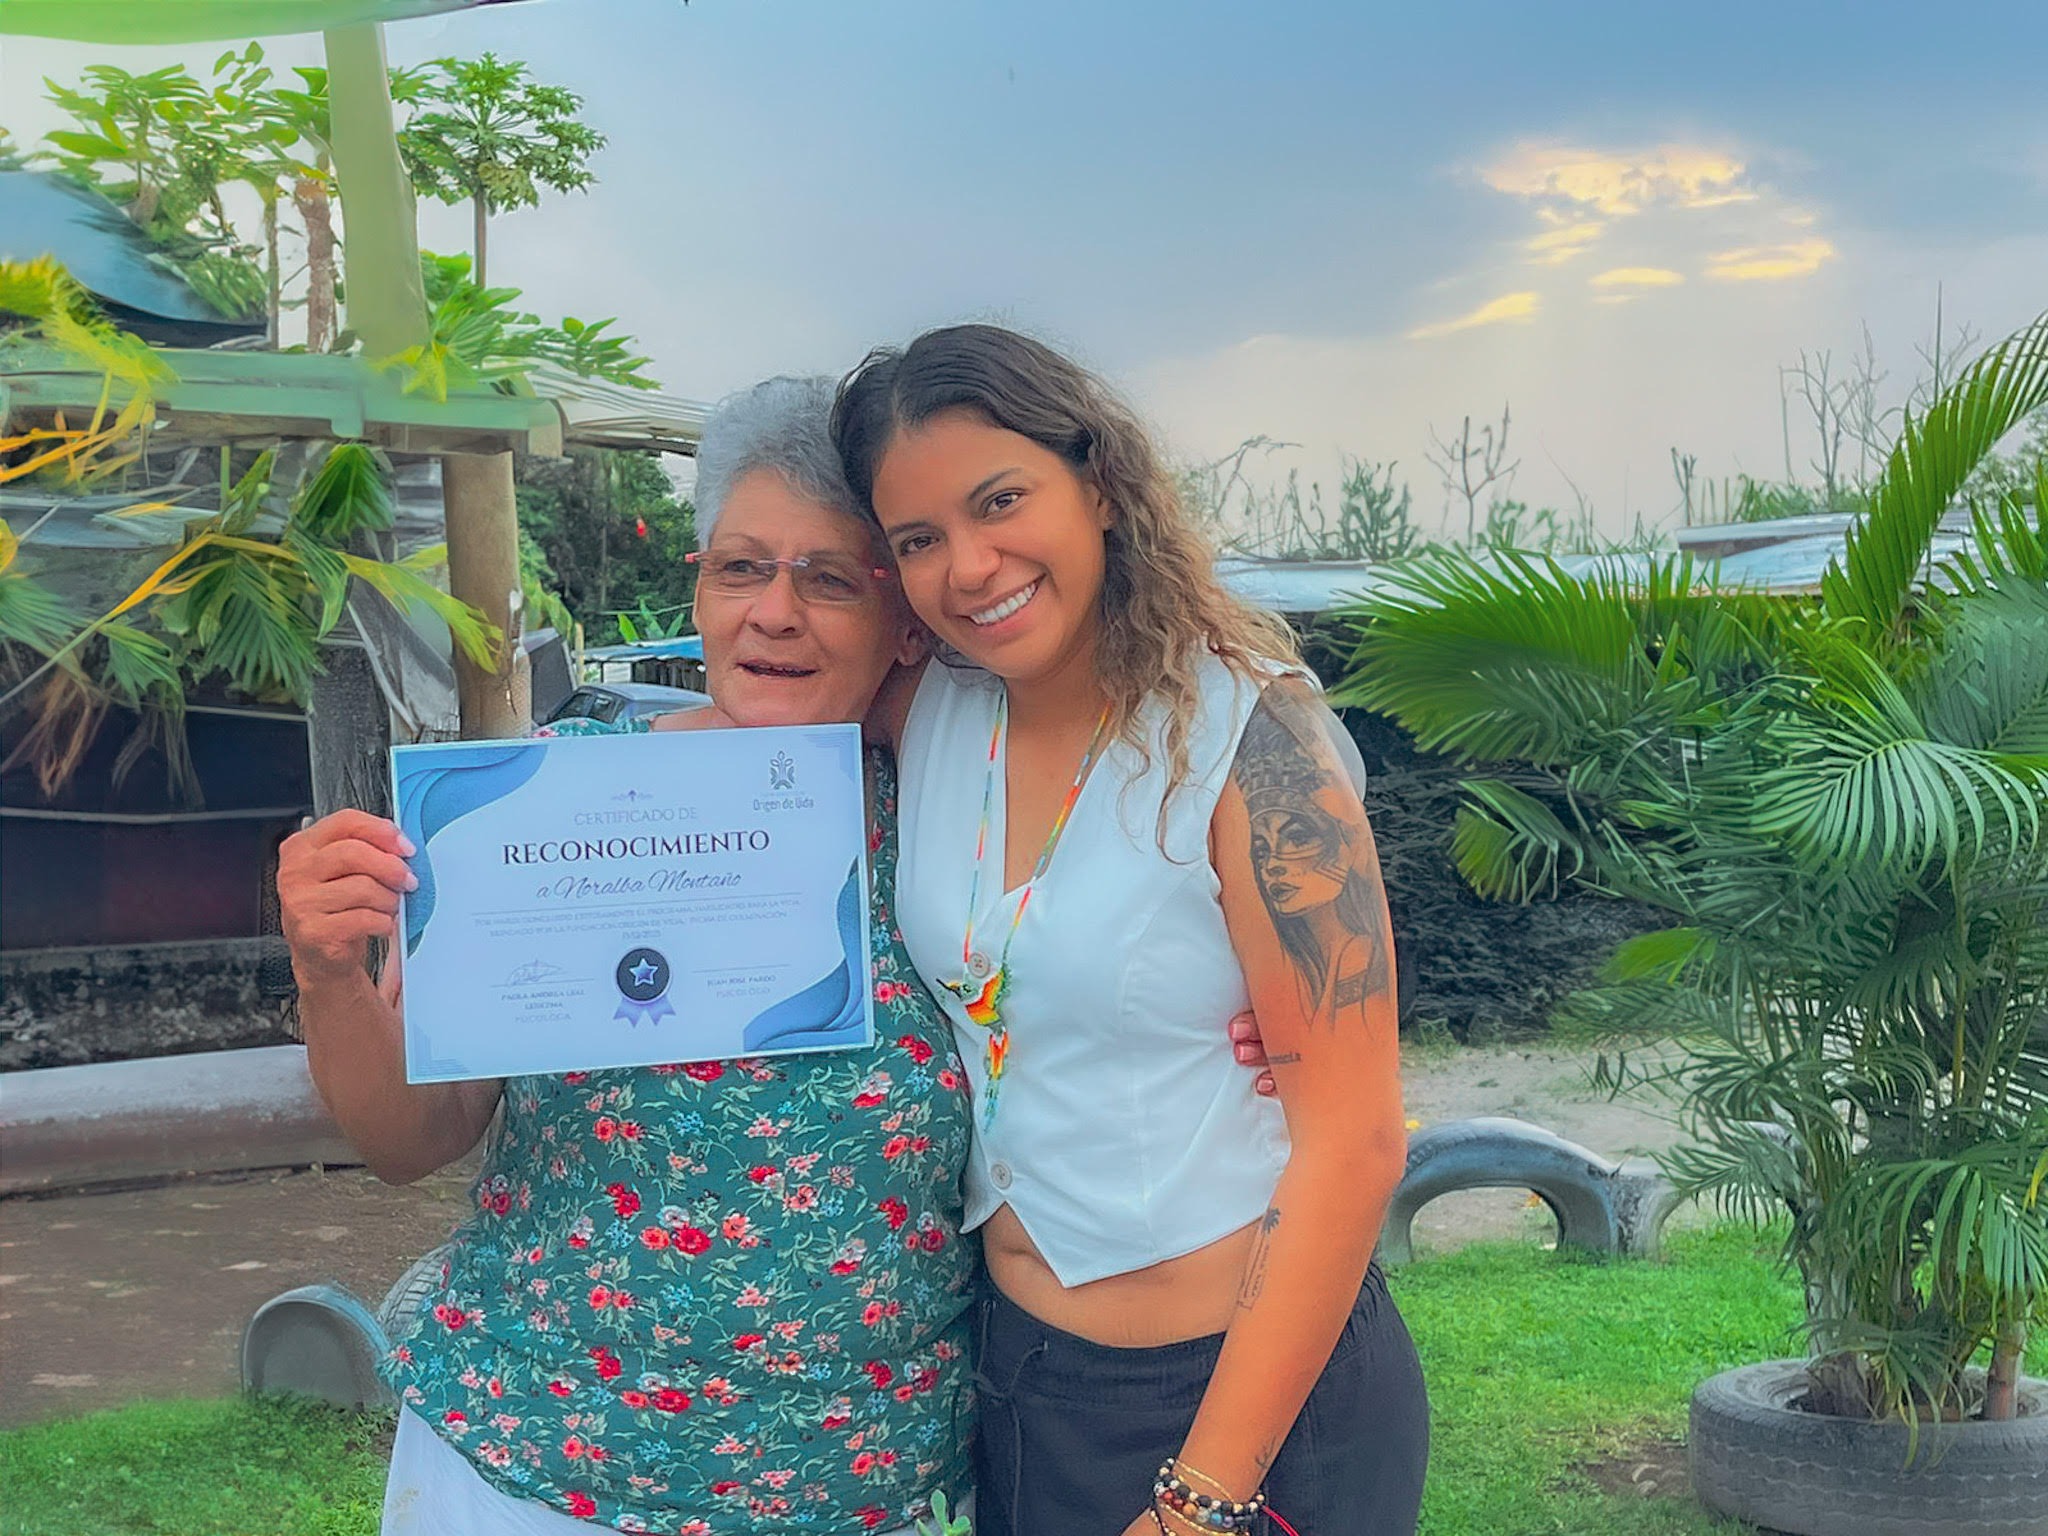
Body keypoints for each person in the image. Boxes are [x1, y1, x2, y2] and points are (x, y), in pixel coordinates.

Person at [282, 377, 970, 1536]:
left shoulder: (957, 830)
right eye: (739, 567)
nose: (774, 612)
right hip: (529, 1468)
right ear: (698, 590)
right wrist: (327, 975)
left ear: (906, 621)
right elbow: (411, 1138)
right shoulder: (550, 797)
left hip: (856, 1483)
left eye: (829, 578)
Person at [832, 326, 1430, 1536]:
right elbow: (766, 711)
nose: (969, 566)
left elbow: (1355, 1144)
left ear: (1098, 483)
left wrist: (1200, 1502)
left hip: (1247, 1402)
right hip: (1023, 1384)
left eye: (1001, 501)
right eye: (918, 539)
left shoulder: (1249, 741)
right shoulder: (930, 711)